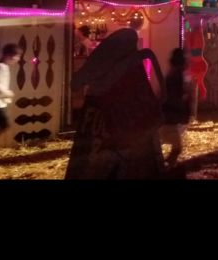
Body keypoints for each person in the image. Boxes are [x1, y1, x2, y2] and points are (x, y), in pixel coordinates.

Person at [65, 28, 166, 179]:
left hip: (113, 130)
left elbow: (78, 82)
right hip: (128, 131)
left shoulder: (120, 69)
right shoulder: (133, 69)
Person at [160, 48, 193, 168]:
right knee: (177, 148)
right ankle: (166, 167)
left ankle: (166, 166)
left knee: (174, 146)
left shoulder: (172, 74)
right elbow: (176, 96)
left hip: (168, 116)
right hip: (170, 118)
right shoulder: (178, 75)